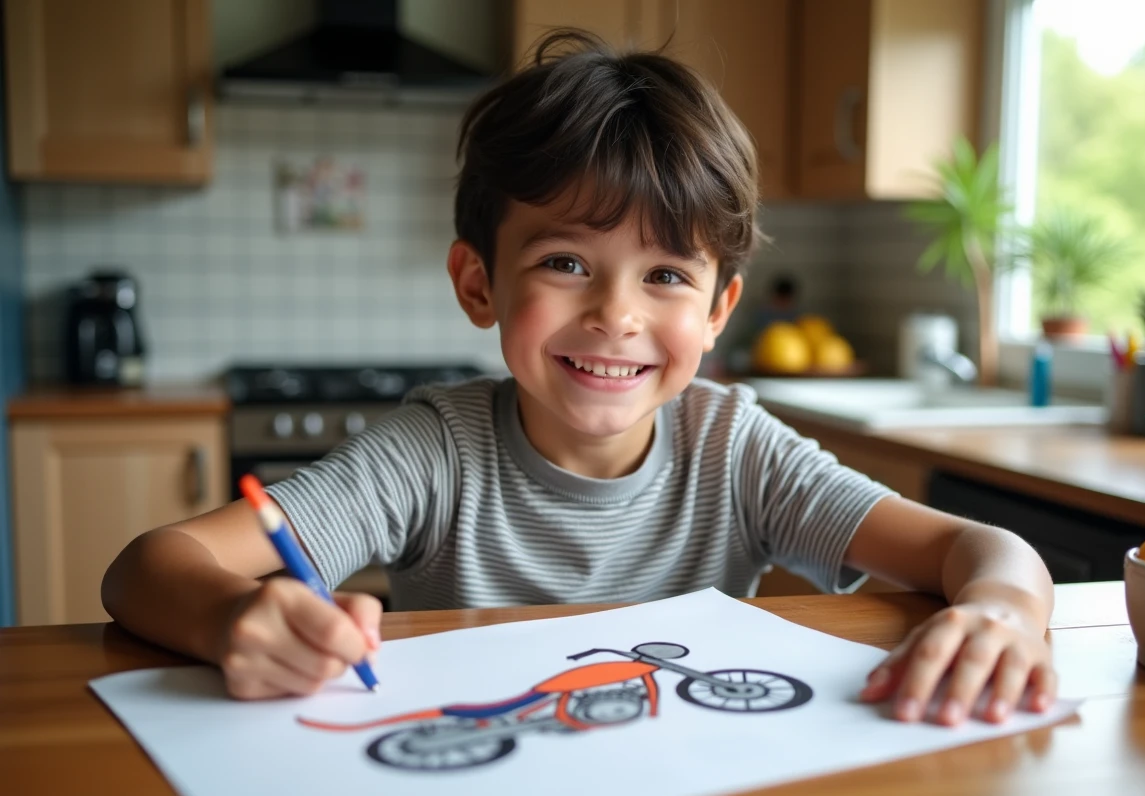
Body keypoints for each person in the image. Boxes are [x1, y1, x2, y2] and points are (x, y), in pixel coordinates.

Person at [102, 31, 1056, 728]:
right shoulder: (435, 452)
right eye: (565, 262)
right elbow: (146, 566)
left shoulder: (735, 448)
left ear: (718, 310)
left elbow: (982, 549)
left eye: (666, 275)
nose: (617, 315)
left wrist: (1002, 611)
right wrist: (234, 615)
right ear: (479, 284)